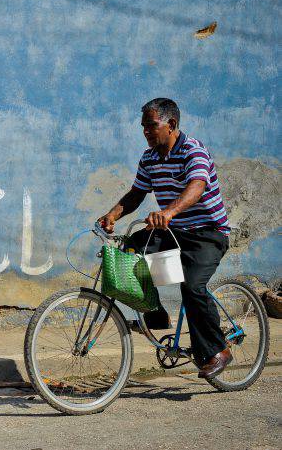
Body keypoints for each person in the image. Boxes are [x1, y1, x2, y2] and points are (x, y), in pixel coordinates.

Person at [98, 98, 232, 379]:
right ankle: (156, 312)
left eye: (151, 125)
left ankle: (218, 350)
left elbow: (196, 187)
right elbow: (136, 194)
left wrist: (169, 211)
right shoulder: (149, 158)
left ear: (171, 125)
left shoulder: (193, 151)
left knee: (193, 288)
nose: (146, 131)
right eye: (143, 126)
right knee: (131, 247)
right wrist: (112, 215)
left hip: (208, 233)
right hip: (173, 231)